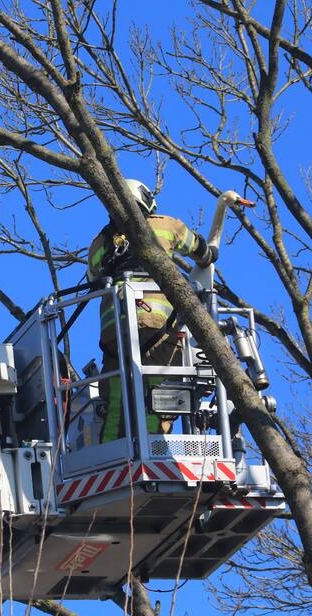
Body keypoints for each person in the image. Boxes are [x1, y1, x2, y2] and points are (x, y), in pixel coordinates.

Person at [86, 179, 213, 443]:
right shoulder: (166, 225)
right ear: (146, 202)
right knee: (159, 391)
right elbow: (199, 250)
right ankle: (154, 445)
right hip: (156, 325)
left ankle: (114, 449)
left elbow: (92, 279)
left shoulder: (99, 244)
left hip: (114, 333)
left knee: (117, 398)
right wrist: (210, 253)